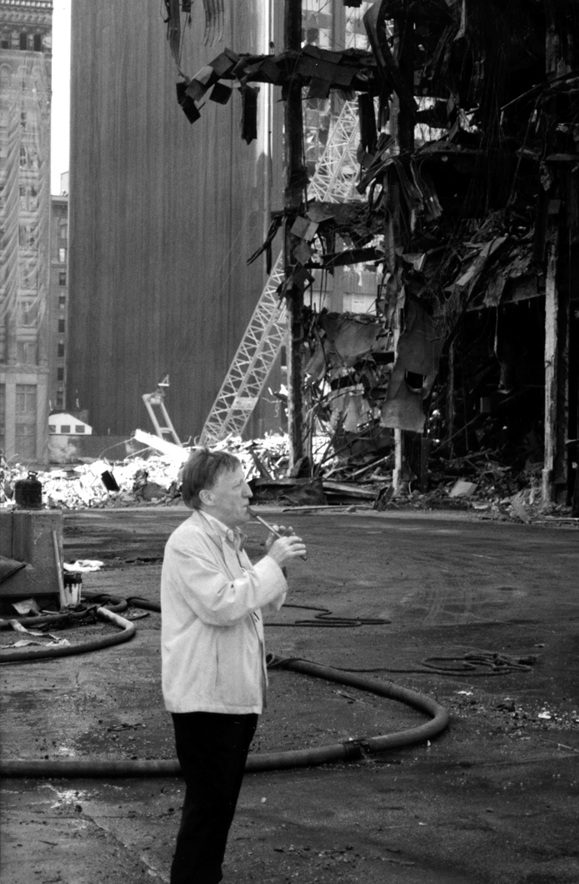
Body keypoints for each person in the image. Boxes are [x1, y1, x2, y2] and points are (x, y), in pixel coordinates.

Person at [161, 447, 307, 884]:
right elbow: (222, 605)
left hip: (234, 695)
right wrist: (272, 563)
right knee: (208, 807)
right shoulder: (188, 542)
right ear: (207, 497)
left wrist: (272, 562)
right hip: (206, 697)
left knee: (219, 805)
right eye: (238, 485)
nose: (249, 491)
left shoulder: (226, 539)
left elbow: (260, 597)